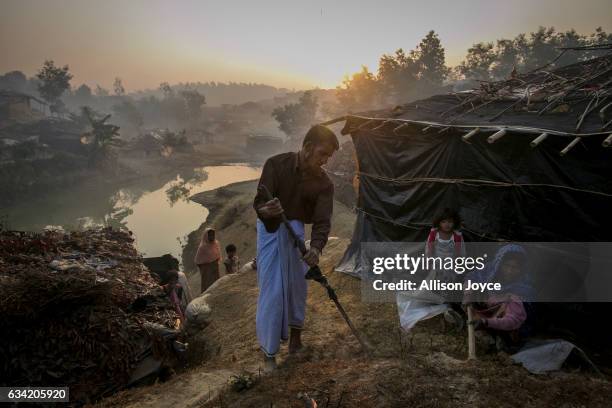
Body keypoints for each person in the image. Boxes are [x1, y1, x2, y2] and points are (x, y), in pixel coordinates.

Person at [253, 124, 339, 370]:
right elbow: (260, 201)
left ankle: (295, 340)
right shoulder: (275, 165)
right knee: (273, 289)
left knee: (297, 286)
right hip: (269, 231)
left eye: (328, 157)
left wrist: (316, 248)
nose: (324, 161)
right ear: (309, 148)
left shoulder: (325, 184)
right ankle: (269, 353)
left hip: (296, 233)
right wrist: (264, 210)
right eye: (322, 154)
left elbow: (323, 220)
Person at [397, 207, 466, 331]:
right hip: (436, 265)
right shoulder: (434, 234)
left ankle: (445, 307)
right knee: (433, 285)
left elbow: (461, 252)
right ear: (439, 222)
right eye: (444, 221)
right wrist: (430, 262)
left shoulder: (457, 236)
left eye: (450, 222)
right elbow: (429, 250)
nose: (447, 225)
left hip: (450, 268)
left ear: (454, 222)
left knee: (447, 287)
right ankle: (434, 304)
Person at [466, 244, 534, 352]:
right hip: (491, 311)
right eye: (506, 265)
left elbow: (512, 320)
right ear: (499, 264)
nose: (509, 271)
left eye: (515, 268)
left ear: (521, 269)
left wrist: (486, 322)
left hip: (511, 325)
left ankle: (500, 340)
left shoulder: (521, 291)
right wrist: (468, 294)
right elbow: (473, 277)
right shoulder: (492, 271)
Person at [194, 228, 222, 293]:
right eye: (210, 235)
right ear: (206, 236)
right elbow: (197, 261)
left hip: (215, 267)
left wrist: (215, 263)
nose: (212, 237)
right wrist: (205, 268)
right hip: (207, 271)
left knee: (217, 284)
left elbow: (218, 255)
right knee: (208, 287)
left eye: (213, 235)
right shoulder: (202, 247)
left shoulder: (216, 243)